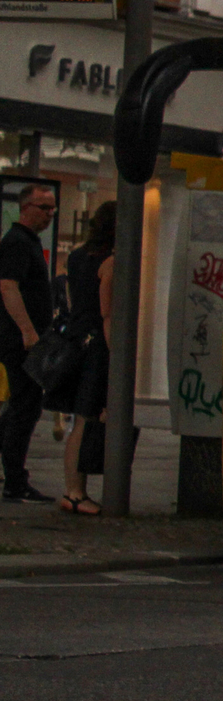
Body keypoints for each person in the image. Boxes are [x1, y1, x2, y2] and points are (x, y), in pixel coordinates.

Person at [53, 201, 112, 516]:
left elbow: (76, 300)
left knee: (79, 420)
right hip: (97, 346)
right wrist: (117, 350)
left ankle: (72, 489)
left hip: (77, 341)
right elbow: (107, 313)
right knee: (87, 418)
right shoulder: (110, 261)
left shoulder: (76, 258)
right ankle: (76, 492)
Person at [0, 180, 55, 503]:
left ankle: (15, 477)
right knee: (25, 407)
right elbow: (8, 287)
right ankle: (16, 482)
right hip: (21, 339)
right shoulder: (18, 242)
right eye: (43, 208)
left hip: (26, 337)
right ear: (25, 208)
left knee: (23, 405)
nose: (49, 215)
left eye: (52, 209)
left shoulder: (28, 241)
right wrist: (28, 331)